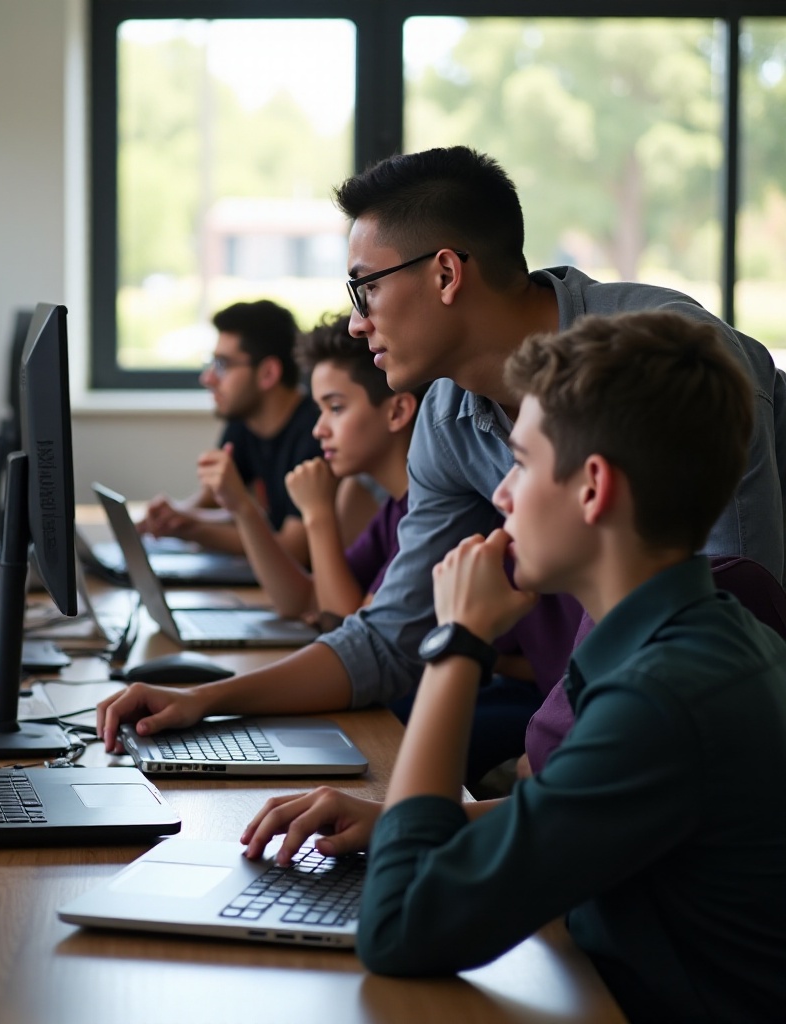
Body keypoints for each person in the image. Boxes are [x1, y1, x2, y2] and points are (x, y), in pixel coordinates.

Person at [98, 145, 786, 781]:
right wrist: (205, 702)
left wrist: (530, 791)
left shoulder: (668, 363)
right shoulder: (446, 413)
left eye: (365, 289)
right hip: (587, 739)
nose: (358, 321)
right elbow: (390, 636)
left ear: (447, 273)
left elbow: (744, 618)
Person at [240, 311, 786, 1022]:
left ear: (593, 488)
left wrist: (459, 642)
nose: (499, 495)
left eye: (522, 465)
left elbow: (401, 928)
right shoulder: (685, 635)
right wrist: (417, 819)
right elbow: (584, 810)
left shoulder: (664, 696)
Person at [196, 312, 423, 621]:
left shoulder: (423, 515)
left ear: (397, 412)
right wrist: (243, 509)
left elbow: (344, 629)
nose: (318, 430)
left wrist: (318, 514)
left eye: (336, 408)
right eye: (320, 410)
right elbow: (300, 602)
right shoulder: (391, 512)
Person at [138, 299, 379, 567]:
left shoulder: (316, 434)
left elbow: (294, 547)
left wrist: (191, 529)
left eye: (222, 364)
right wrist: (178, 513)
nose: (207, 378)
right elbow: (215, 499)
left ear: (267, 373)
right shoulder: (244, 421)